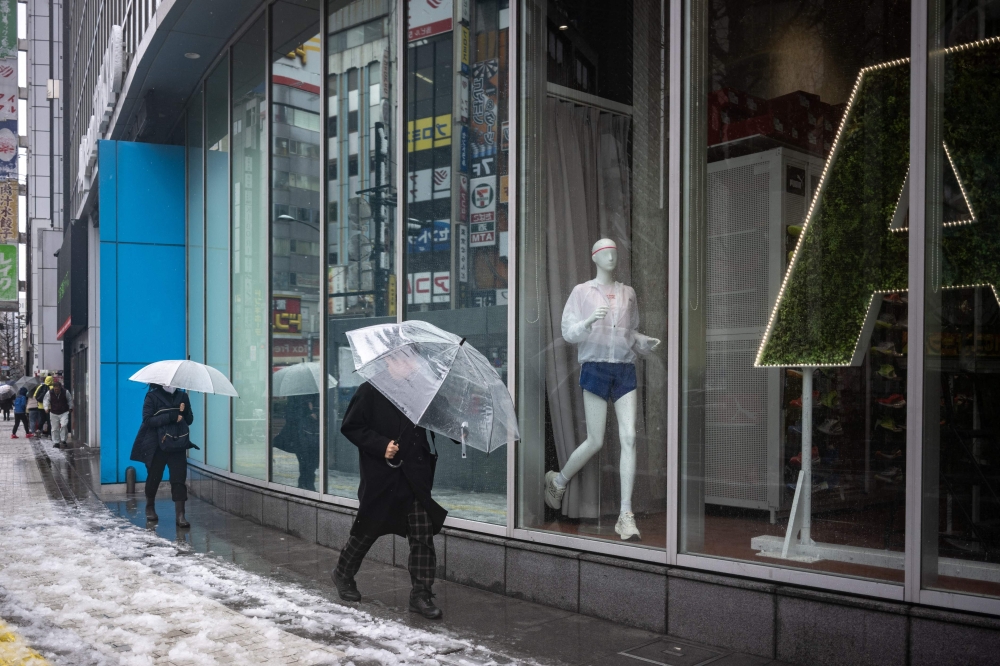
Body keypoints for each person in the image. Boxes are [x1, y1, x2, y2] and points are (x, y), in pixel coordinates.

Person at [331, 376, 448, 620]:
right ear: (390, 362)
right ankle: (343, 573)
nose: (410, 364)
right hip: (383, 475)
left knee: (422, 534)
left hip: (415, 475)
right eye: (405, 359)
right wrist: (381, 444)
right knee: (368, 529)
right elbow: (351, 426)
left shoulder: (420, 389)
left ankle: (421, 594)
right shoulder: (370, 390)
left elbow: (439, 422)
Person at [129, 384, 196, 526]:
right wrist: (171, 416)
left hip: (177, 443)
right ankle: (150, 507)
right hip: (157, 445)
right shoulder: (152, 396)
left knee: (179, 478)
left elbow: (189, 420)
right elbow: (147, 420)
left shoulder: (182, 396)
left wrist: (184, 413)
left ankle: (180, 515)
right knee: (154, 476)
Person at [273, 394, 320, 491]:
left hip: (309, 434)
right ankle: (306, 484)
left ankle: (305, 484)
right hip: (301, 434)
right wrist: (310, 412)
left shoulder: (308, 395)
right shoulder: (298, 399)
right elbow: (292, 415)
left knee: (310, 462)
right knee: (306, 461)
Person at [43, 379, 73, 449]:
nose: (56, 390)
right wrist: (46, 408)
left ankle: (63, 440)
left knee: (64, 425)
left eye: (57, 389)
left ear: (60, 388)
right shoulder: (49, 393)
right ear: (53, 388)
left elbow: (70, 400)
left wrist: (70, 407)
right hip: (54, 412)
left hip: (64, 411)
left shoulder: (66, 392)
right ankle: (56, 442)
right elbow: (46, 400)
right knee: (54, 428)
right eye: (55, 389)